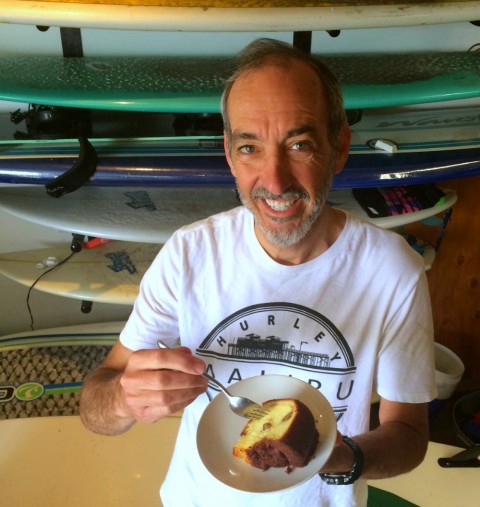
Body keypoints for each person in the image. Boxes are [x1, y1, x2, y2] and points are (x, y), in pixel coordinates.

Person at [80, 38, 437, 506]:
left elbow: (408, 436)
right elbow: (94, 405)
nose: (274, 181)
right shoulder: (190, 253)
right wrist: (126, 399)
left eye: (300, 144)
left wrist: (333, 457)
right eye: (250, 147)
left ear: (339, 147)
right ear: (230, 154)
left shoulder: (393, 272)